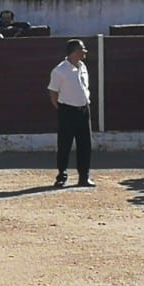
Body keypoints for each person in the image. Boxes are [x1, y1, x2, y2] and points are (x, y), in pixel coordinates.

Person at [48, 39, 93, 189]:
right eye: (83, 49)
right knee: (64, 144)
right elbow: (53, 92)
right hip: (67, 110)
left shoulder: (83, 66)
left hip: (84, 109)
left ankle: (84, 176)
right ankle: (62, 176)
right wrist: (62, 109)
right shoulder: (60, 70)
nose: (85, 51)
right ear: (74, 52)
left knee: (85, 144)